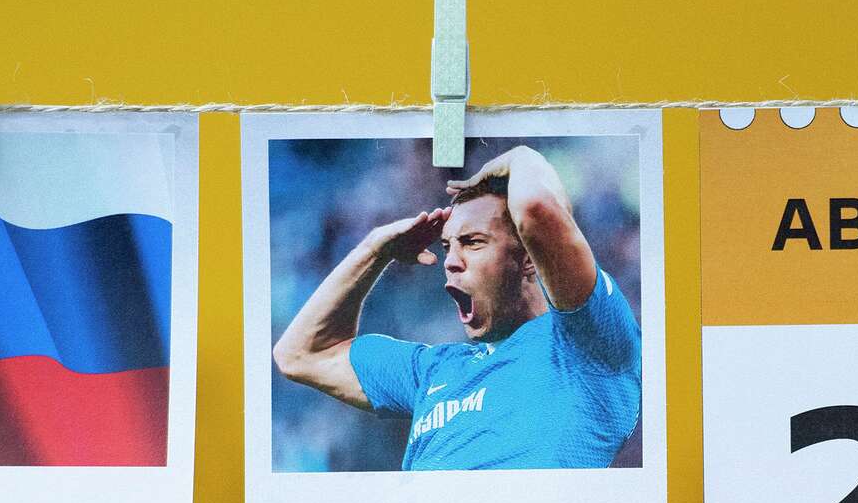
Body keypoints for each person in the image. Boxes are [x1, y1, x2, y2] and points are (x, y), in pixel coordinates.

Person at [273, 145, 640, 470]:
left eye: (473, 242)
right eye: (447, 246)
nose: (450, 261)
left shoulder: (586, 346)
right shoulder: (432, 370)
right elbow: (300, 354)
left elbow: (536, 209)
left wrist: (519, 156)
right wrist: (374, 250)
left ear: (529, 257)